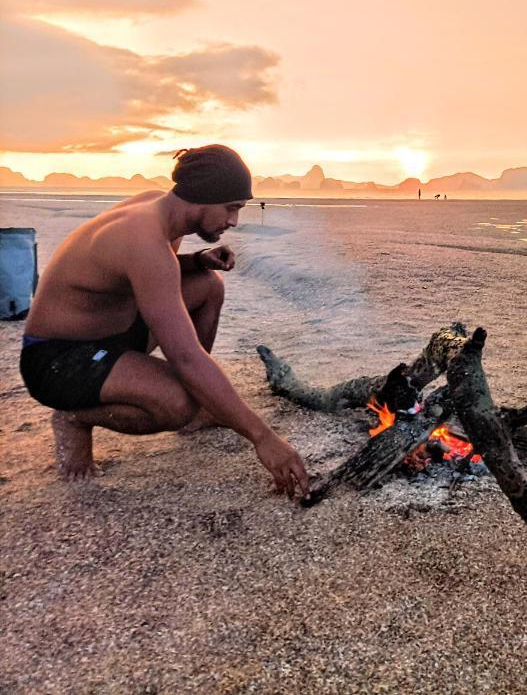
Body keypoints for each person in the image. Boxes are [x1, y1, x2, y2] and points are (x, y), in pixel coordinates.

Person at [20, 144, 310, 498]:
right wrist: (264, 438)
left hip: (115, 331)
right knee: (176, 403)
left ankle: (203, 402)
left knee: (207, 286)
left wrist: (198, 260)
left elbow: (142, 272)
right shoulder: (142, 238)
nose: (234, 221)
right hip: (58, 359)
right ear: (202, 198)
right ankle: (75, 418)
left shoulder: (160, 208)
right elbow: (185, 355)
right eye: (231, 208)